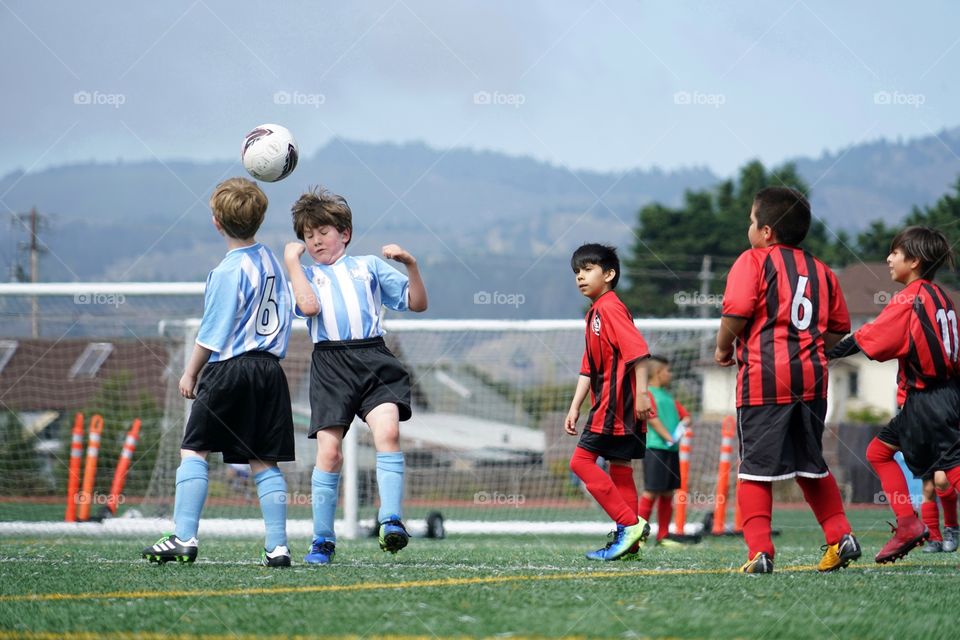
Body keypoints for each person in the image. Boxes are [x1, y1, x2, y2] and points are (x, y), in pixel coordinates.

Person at [141, 177, 295, 567]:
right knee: (264, 459)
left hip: (230, 369)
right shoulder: (273, 263)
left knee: (194, 449)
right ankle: (278, 548)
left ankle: (184, 537)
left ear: (215, 222)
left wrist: (190, 372)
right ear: (259, 219)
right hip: (270, 371)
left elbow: (213, 330)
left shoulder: (228, 271)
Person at [716, 186, 859, 574]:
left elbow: (738, 309)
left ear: (765, 232)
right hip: (813, 380)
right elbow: (839, 329)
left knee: (754, 470)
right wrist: (809, 343)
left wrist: (722, 349)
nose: (749, 227)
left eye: (750, 220)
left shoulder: (753, 260)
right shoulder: (823, 271)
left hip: (764, 379)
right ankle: (841, 535)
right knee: (811, 465)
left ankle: (759, 551)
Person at [284, 187, 428, 565]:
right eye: (307, 236)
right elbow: (308, 306)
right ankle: (322, 540)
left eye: (323, 232)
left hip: (374, 357)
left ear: (344, 233)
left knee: (389, 433)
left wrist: (411, 264)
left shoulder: (369, 266)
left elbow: (417, 303)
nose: (315, 241)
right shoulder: (305, 276)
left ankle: (391, 520)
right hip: (330, 365)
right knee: (329, 454)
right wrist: (292, 263)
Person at [829, 225, 960, 563]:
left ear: (913, 261)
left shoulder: (910, 297)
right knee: (879, 452)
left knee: (949, 472)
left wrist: (825, 352)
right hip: (943, 395)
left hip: (930, 399)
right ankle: (908, 524)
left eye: (895, 253)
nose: (888, 259)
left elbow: (872, 335)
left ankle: (910, 525)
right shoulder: (942, 295)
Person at [564, 243, 652, 561]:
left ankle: (629, 525)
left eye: (587, 270)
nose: (580, 277)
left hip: (617, 404)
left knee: (580, 463)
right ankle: (631, 543)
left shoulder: (610, 308)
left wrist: (642, 393)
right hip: (617, 404)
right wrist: (575, 405)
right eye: (576, 272)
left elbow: (639, 353)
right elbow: (589, 366)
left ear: (609, 274)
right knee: (620, 465)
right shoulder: (595, 313)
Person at [638, 355, 689, 547]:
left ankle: (664, 535)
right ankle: (638, 536)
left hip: (671, 450)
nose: (671, 374)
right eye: (668, 370)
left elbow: (686, 416)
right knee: (651, 491)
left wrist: (684, 424)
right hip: (655, 449)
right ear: (658, 373)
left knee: (668, 492)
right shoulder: (648, 394)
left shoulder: (669, 396)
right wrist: (669, 437)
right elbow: (651, 418)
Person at [920, 471, 959, 553]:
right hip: (924, 458)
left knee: (942, 481)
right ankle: (934, 538)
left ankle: (951, 530)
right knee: (928, 489)